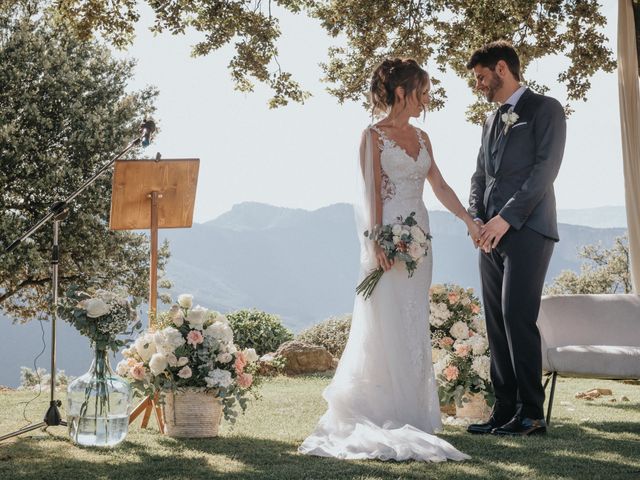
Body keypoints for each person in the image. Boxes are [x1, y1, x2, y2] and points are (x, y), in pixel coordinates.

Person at [298, 57, 477, 462]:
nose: (427, 98)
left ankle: (413, 411)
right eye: (423, 90)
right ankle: (383, 408)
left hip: (421, 241)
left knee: (413, 320)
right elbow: (371, 194)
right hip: (387, 239)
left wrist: (468, 219)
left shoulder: (425, 138)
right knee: (386, 320)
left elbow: (441, 185)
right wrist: (376, 241)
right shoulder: (372, 136)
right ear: (402, 92)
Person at [465, 41, 566, 436]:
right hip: (488, 235)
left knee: (516, 317)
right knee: (495, 321)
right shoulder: (491, 121)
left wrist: (505, 219)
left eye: (481, 77)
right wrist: (477, 217)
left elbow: (545, 171)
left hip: (529, 229)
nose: (479, 85)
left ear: (502, 69)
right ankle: (503, 409)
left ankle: (531, 414)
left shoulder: (546, 109)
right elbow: (479, 176)